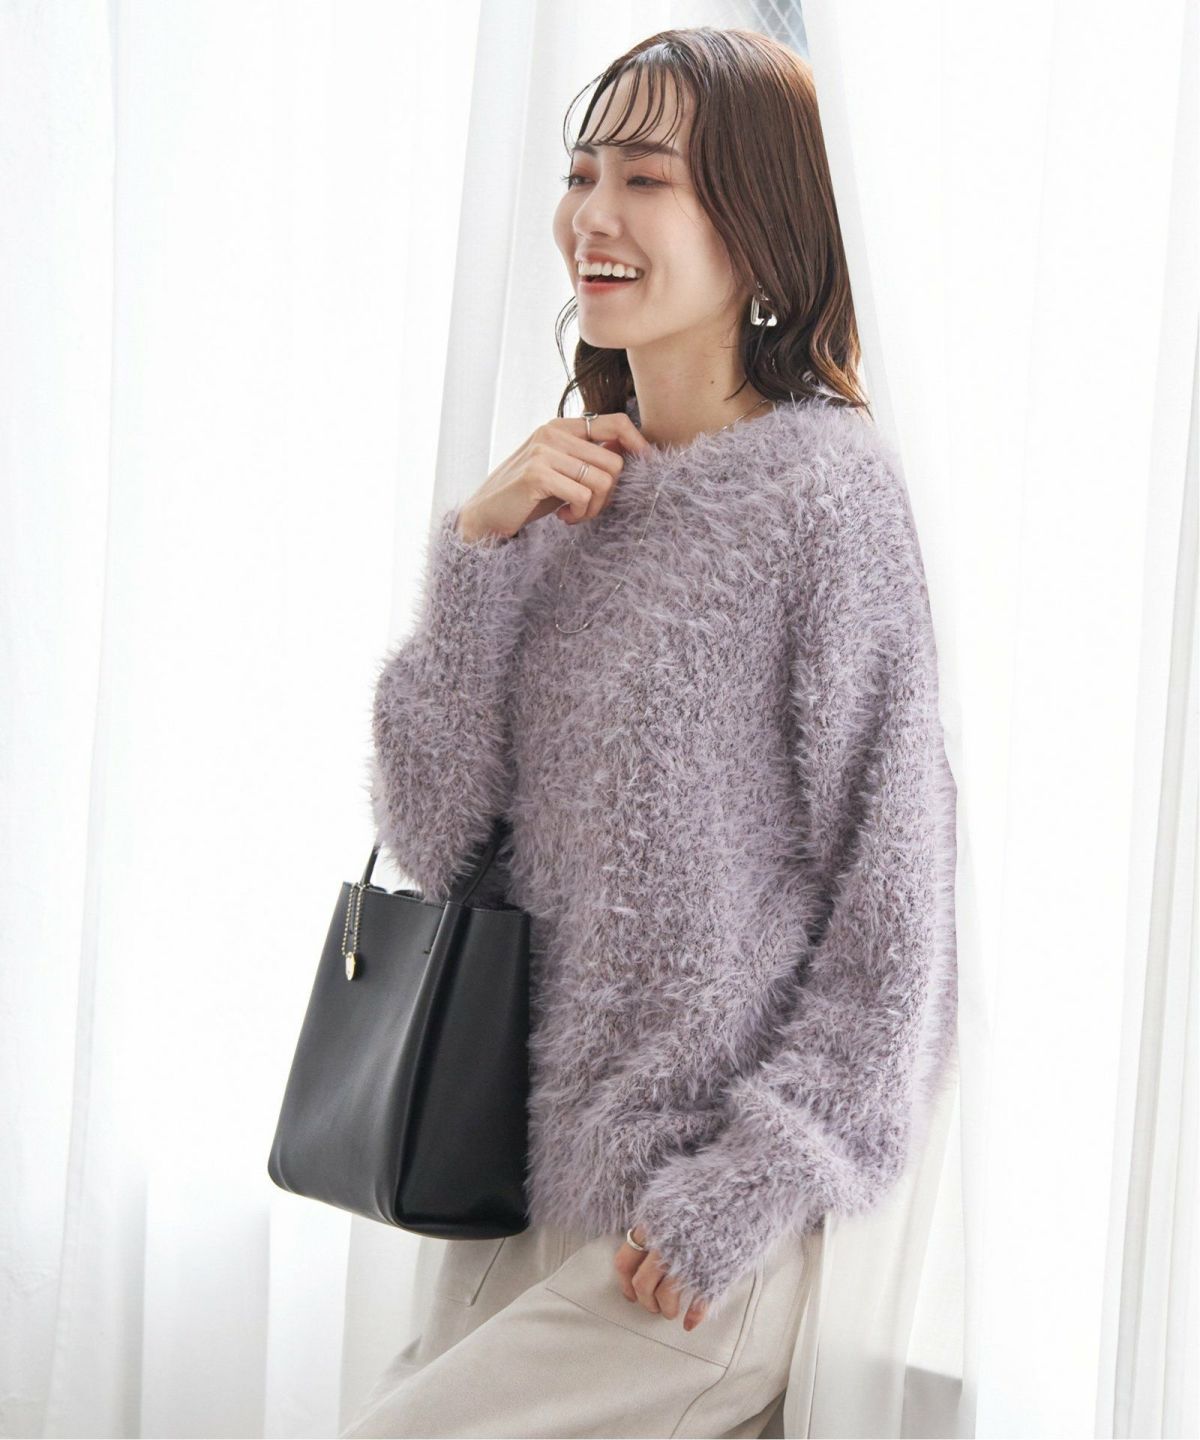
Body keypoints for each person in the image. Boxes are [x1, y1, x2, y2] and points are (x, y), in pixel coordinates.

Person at [341, 25, 958, 1440]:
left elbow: (897, 909)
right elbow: (433, 839)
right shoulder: (564, 499)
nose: (593, 217)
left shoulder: (827, 500)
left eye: (646, 177)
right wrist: (479, 555)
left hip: (689, 1241)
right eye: (580, 174)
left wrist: (752, 1179)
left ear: (760, 225)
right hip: (511, 1201)